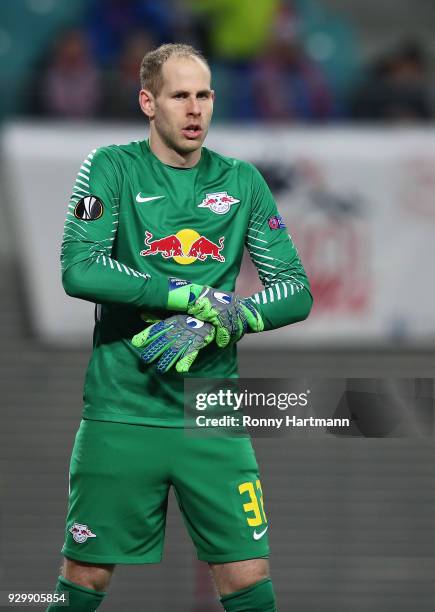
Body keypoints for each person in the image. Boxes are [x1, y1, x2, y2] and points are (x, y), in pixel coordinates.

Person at [48, 43, 312, 612]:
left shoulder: (242, 182)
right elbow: (79, 267)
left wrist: (230, 317)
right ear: (148, 102)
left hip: (210, 415)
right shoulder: (111, 167)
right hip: (122, 409)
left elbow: (296, 289)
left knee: (247, 577)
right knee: (85, 578)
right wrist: (189, 296)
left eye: (204, 95)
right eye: (179, 96)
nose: (195, 109)